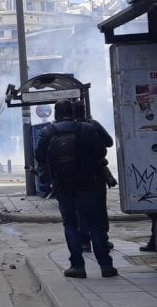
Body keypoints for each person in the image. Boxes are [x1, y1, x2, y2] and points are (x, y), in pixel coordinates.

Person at [36, 99, 117, 279]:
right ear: (72, 112)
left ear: (56, 113)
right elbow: (101, 152)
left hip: (63, 185)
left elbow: (39, 157)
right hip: (89, 183)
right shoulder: (87, 129)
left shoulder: (48, 132)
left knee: (70, 224)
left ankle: (77, 266)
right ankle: (106, 265)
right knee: (95, 224)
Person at [72, 101, 117, 253]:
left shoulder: (68, 128)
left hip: (77, 175)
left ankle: (84, 242)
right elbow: (109, 142)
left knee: (80, 210)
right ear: (84, 111)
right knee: (99, 208)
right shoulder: (93, 125)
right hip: (96, 174)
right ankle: (103, 239)